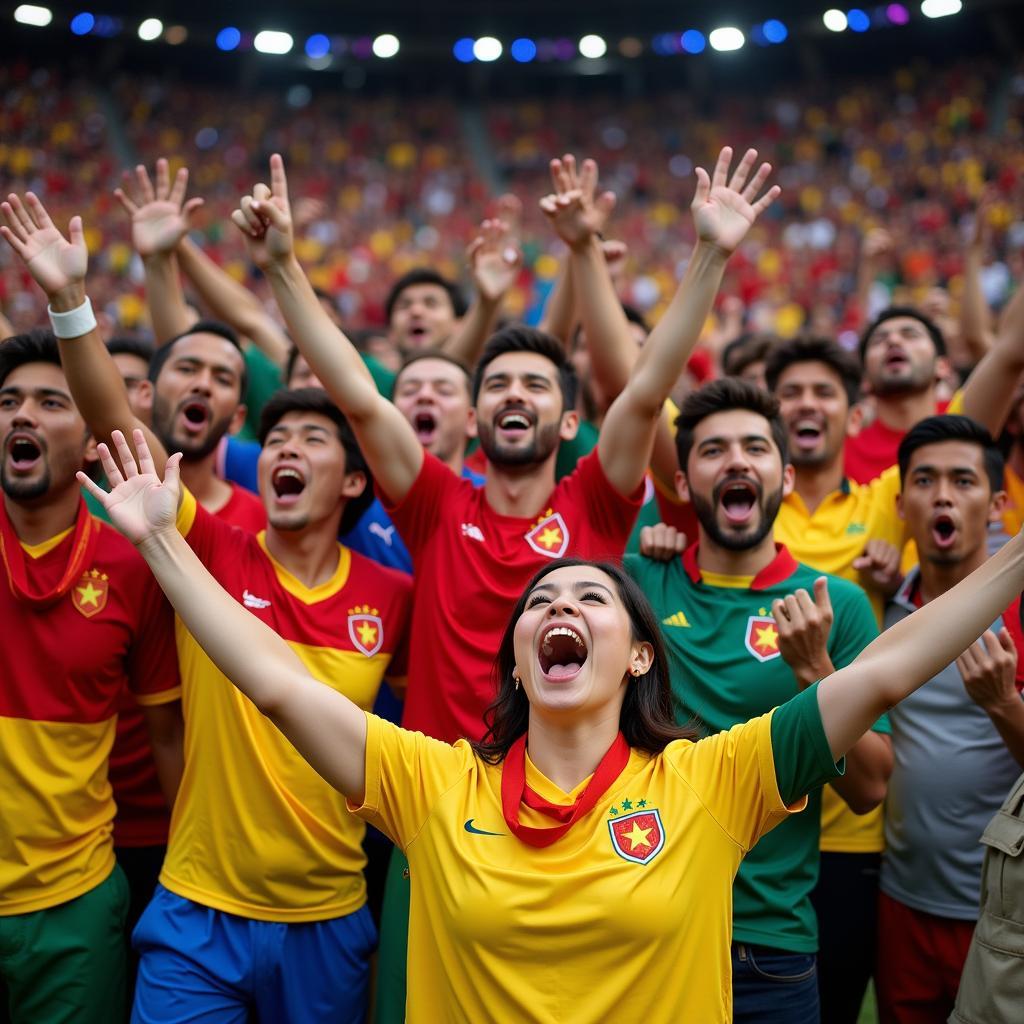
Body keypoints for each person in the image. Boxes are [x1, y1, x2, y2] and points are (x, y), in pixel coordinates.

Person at [84, 424, 1024, 1024]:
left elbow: (894, 663)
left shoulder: (712, 780)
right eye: (540, 601)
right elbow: (278, 685)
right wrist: (162, 542)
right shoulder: (434, 784)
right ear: (521, 659)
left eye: (591, 596)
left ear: (640, 654)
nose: (559, 605)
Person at [231, 144, 780, 1020]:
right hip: (448, 819)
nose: (513, 394)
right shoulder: (437, 503)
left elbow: (642, 392)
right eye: (496, 385)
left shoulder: (597, 501)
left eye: (534, 381)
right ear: (476, 415)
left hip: (587, 814)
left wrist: (709, 255)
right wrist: (286, 267)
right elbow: (362, 400)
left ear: (567, 417)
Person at [0, 189, 413, 1023]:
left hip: (329, 916)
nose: (288, 451)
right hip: (196, 913)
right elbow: (116, 418)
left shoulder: (394, 597)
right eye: (278, 441)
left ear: (357, 481)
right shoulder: (212, 549)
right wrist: (70, 303)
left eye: (314, 441)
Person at [626, 378, 889, 1022]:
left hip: (766, 947)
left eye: (755, 448)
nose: (737, 460)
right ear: (683, 485)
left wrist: (816, 672)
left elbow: (871, 787)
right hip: (638, 922)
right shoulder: (635, 584)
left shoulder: (837, 604)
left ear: (786, 477)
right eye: (713, 450)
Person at [0, 331, 181, 1024]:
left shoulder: (135, 565)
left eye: (51, 402)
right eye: (9, 400)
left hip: (73, 906)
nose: (23, 415)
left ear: (89, 441)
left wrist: (181, 878)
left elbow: (165, 734)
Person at [876, 415, 1024, 1024]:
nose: (941, 495)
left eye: (962, 481)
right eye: (925, 480)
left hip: (999, 914)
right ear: (900, 502)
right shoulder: (879, 606)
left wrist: (1003, 705)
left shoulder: (1019, 614)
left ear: (995, 505)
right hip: (900, 902)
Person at [845, 308, 952, 484]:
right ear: (865, 380)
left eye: (910, 335)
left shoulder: (967, 416)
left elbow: (1008, 355)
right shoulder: (842, 453)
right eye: (879, 340)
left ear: (942, 366)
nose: (893, 341)